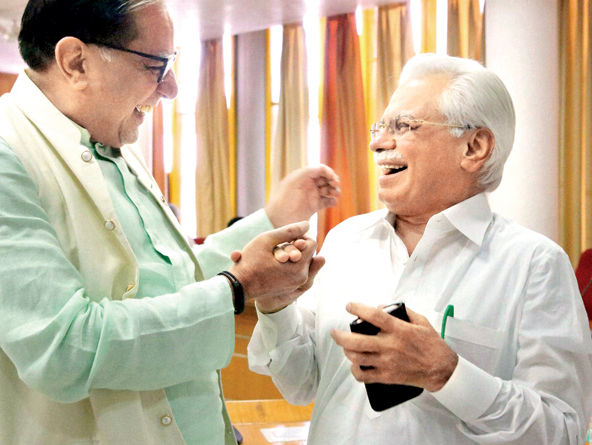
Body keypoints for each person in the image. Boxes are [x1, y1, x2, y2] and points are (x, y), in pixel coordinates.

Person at [0, 0, 340, 444]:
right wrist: (236, 287)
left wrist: (270, 222)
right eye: (154, 65)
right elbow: (65, 348)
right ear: (76, 61)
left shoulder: (111, 145)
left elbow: (170, 280)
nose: (171, 87)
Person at [248, 53, 592, 444]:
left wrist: (447, 374)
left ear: (474, 147)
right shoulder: (345, 239)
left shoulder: (534, 264)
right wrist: (276, 307)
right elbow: (303, 383)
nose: (378, 142)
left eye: (404, 126)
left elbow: (561, 430)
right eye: (380, 127)